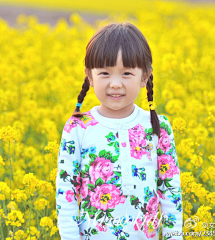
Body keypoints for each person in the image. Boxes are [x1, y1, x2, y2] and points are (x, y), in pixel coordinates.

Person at [56, 22, 183, 240]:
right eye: (105, 73)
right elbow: (66, 194)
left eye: (126, 73)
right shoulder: (78, 127)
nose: (115, 83)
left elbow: (171, 194)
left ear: (145, 77)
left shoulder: (158, 127)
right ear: (89, 76)